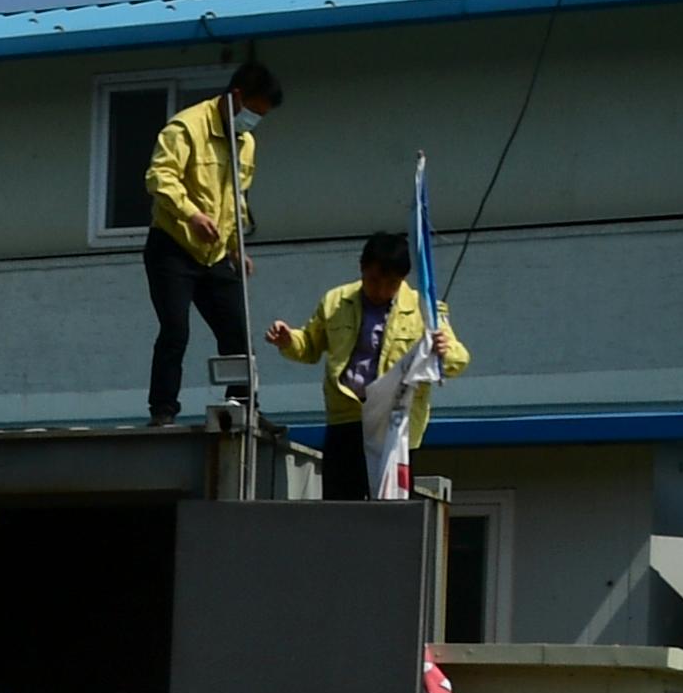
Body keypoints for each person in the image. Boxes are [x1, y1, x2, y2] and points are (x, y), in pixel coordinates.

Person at [269, 231, 468, 499]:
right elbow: (309, 346)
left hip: (395, 425)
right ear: (362, 269)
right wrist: (288, 339)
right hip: (346, 416)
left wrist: (444, 351)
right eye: (374, 280)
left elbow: (458, 359)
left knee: (391, 506)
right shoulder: (335, 301)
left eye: (392, 283)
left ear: (403, 280)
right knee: (341, 504)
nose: (382, 290)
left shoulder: (426, 309)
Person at [142, 59, 282, 426]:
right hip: (173, 245)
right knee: (175, 329)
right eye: (253, 112)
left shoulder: (246, 143)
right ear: (236, 97)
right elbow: (160, 177)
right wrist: (191, 215)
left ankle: (244, 407)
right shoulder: (186, 127)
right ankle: (162, 411)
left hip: (216, 252)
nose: (253, 122)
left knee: (237, 330)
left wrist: (237, 247)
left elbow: (236, 198)